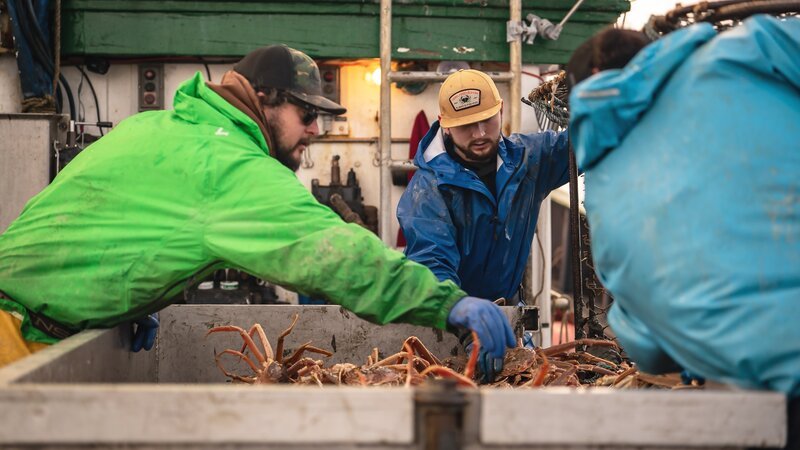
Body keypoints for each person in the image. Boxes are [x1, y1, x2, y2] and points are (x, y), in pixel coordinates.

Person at [0, 45, 515, 372]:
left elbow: (92, 221)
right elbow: (334, 255)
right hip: (17, 340)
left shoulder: (156, 127)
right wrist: (446, 303)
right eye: (306, 113)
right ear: (264, 99)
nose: (315, 130)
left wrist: (127, 300)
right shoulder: (232, 167)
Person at [567, 15, 800, 400]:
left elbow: (648, 349)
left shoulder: (604, 206)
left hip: (775, 385)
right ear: (656, 53)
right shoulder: (747, 48)